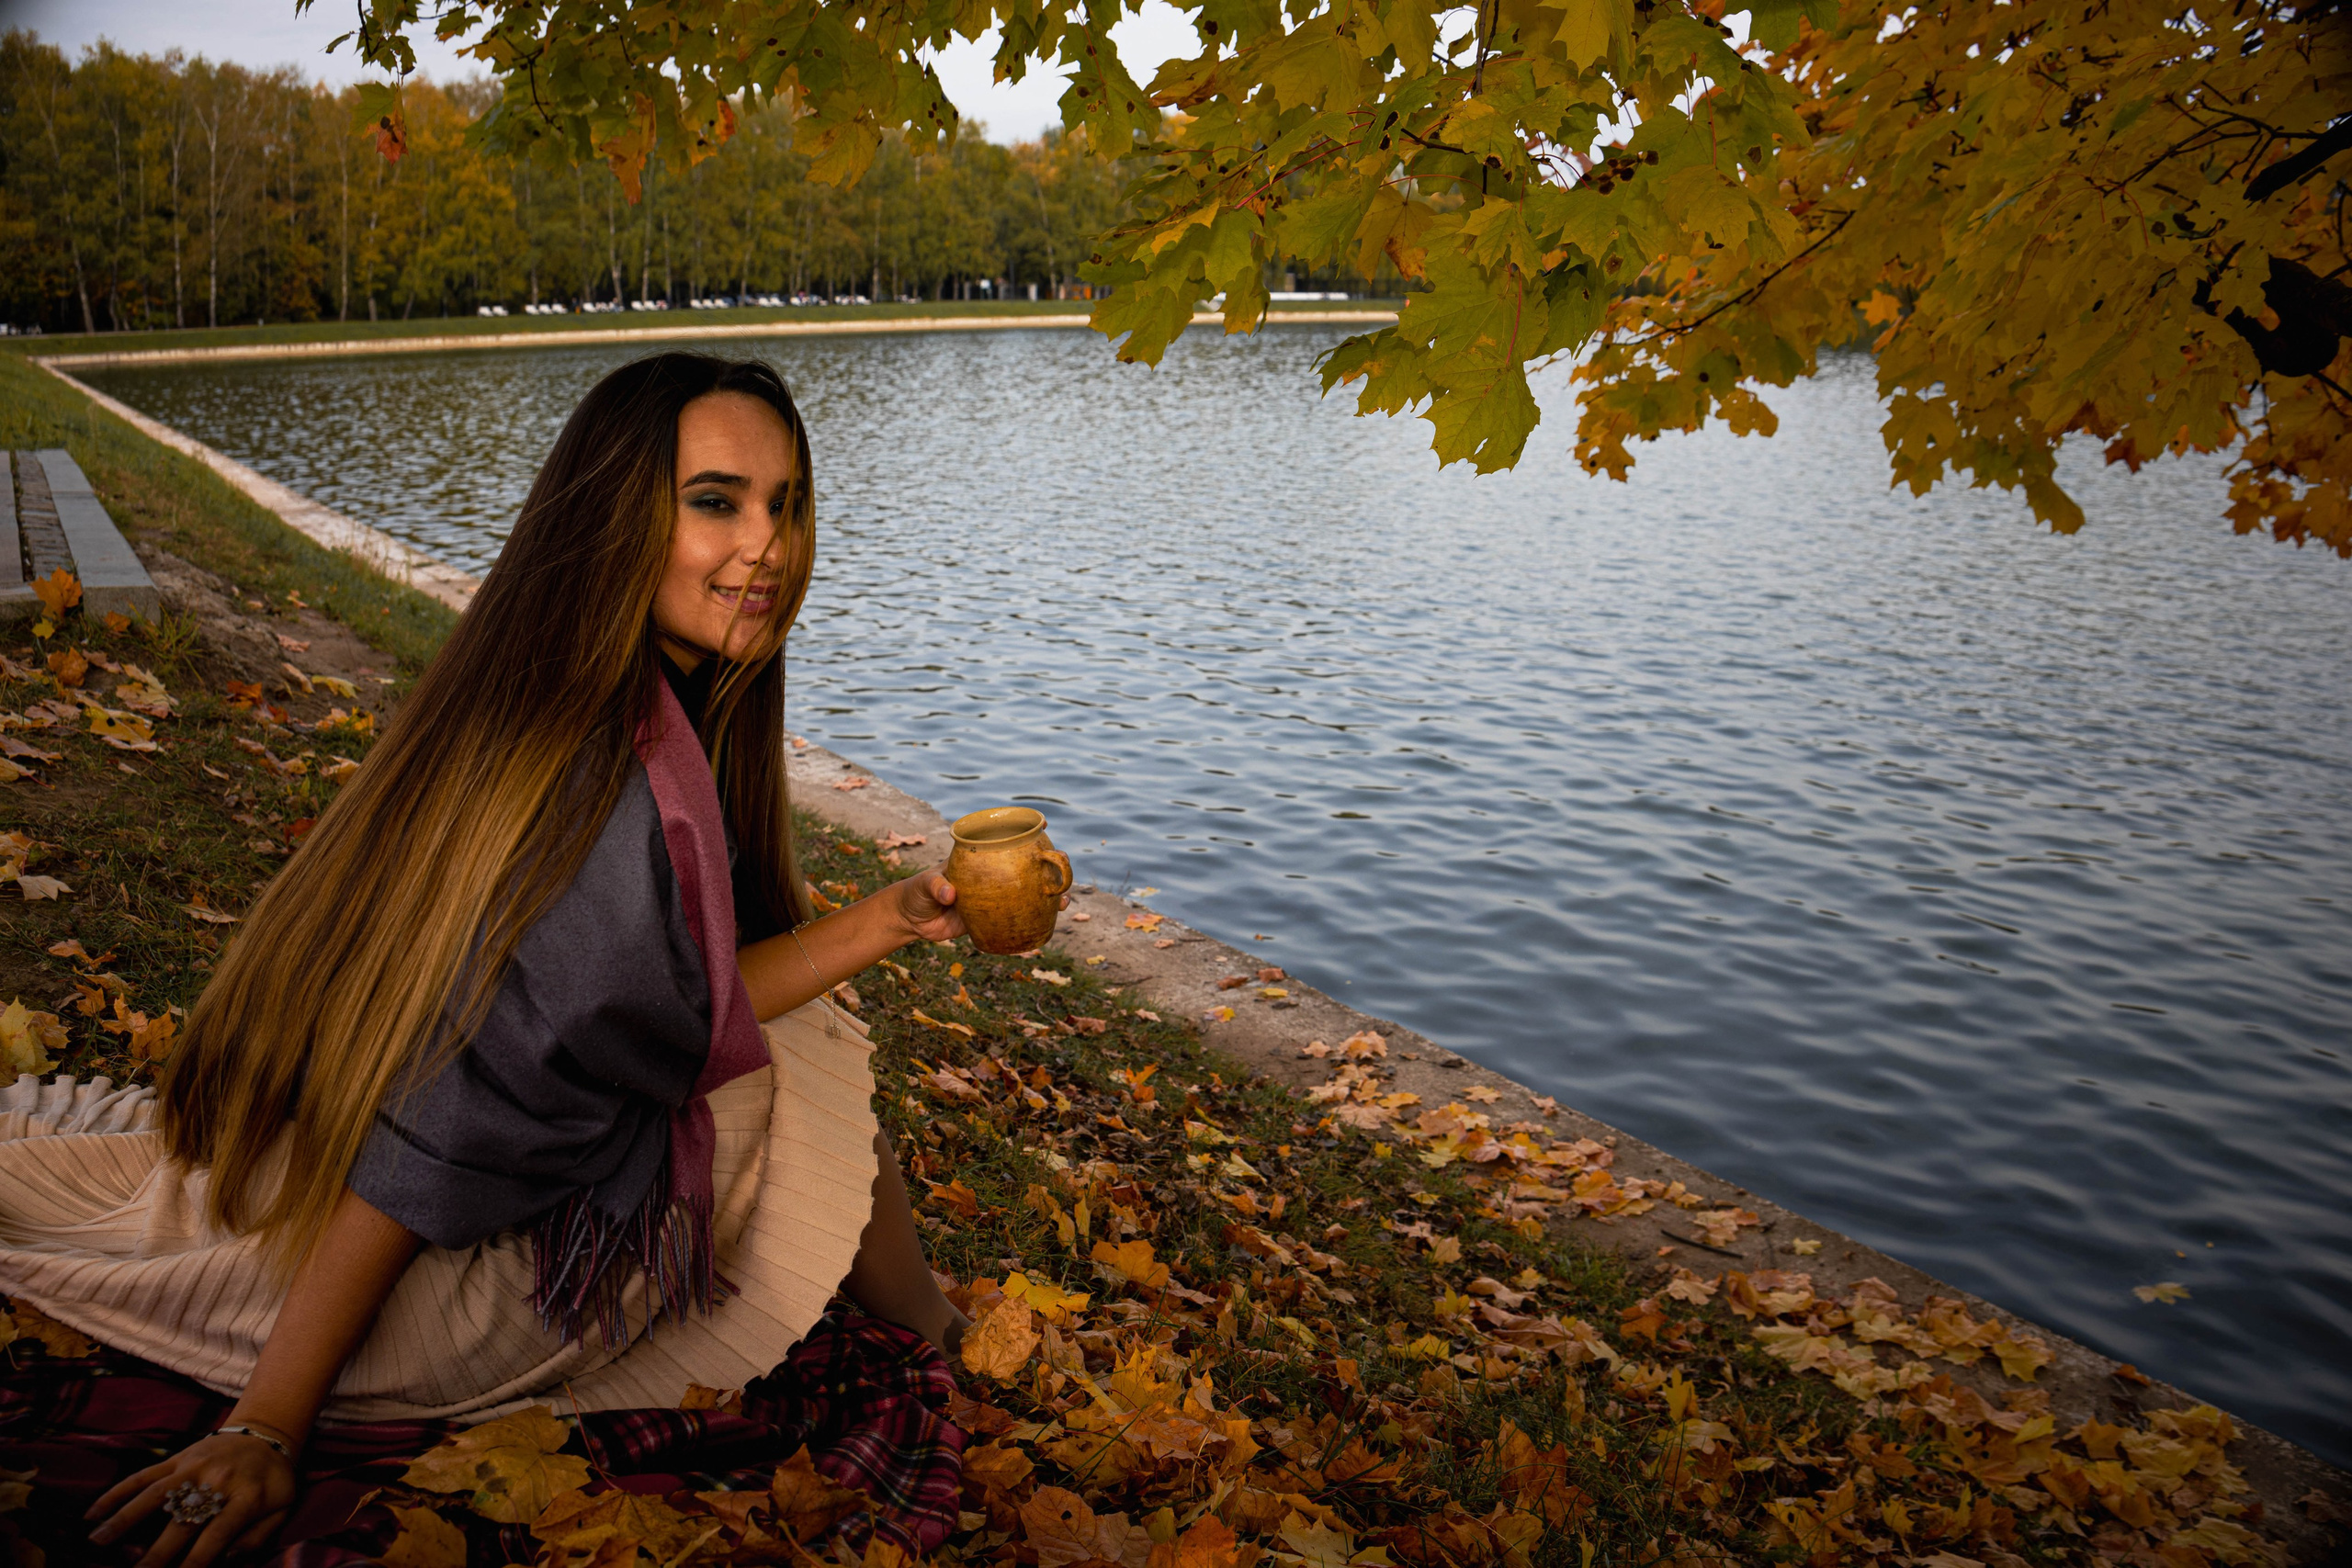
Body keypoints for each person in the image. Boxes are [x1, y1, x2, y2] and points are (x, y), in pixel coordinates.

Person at [0, 354, 981, 1568]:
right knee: (813, 1056)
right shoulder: (602, 786)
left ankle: (925, 1315)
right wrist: (268, 1422)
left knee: (806, 1021)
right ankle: (929, 1327)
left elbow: (677, 1004)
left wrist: (887, 917)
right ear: (617, 510)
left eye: (786, 504)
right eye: (717, 501)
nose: (767, 545)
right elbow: (442, 1120)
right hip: (480, 1296)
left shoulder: (568, 698)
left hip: (389, 1198)